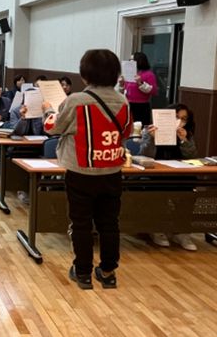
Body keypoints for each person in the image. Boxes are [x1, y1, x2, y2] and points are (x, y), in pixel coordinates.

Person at [42, 49, 131, 290]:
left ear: (85, 75)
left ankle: (83, 273)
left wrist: (48, 110)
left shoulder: (76, 100)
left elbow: (53, 128)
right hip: (112, 171)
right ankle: (108, 272)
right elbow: (126, 132)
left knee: (81, 223)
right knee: (110, 223)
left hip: (81, 172)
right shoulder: (123, 101)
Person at [138, 103, 198, 251]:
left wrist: (184, 141)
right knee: (157, 188)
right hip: (155, 173)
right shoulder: (150, 130)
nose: (179, 121)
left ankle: (182, 231)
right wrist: (152, 139)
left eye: (183, 119)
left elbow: (192, 156)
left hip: (179, 173)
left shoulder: (186, 134)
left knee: (189, 187)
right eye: (176, 117)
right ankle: (156, 228)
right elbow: (144, 155)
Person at [122, 52, 157, 126]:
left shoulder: (148, 74)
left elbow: (153, 91)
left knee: (141, 126)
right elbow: (125, 89)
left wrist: (140, 83)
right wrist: (121, 84)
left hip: (141, 105)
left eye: (132, 60)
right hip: (128, 104)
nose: (130, 62)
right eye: (129, 60)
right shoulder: (129, 73)